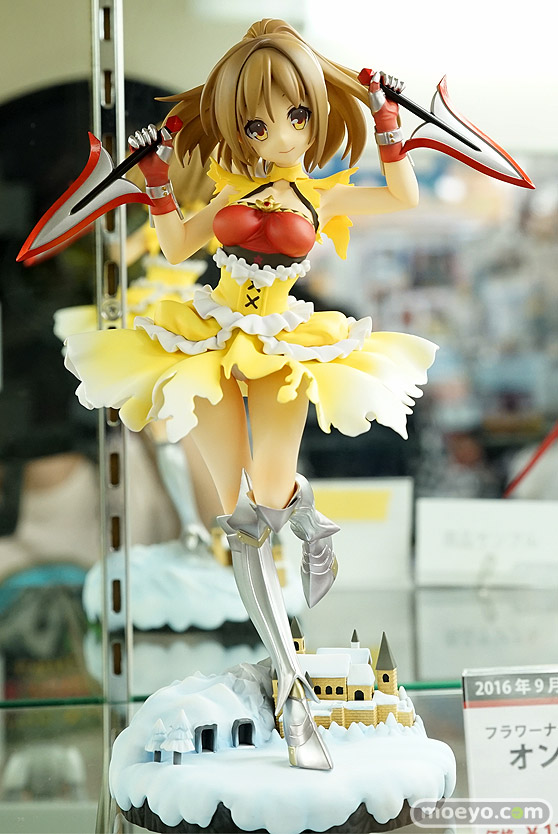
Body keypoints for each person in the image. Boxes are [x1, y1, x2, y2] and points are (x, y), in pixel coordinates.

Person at [65, 18, 437, 770]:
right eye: (258, 124)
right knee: (238, 518)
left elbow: (402, 196)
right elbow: (175, 245)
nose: (280, 136)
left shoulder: (322, 194)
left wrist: (388, 120)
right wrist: (158, 179)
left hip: (282, 347)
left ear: (317, 117)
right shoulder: (224, 188)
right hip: (205, 339)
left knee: (264, 495)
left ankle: (304, 512)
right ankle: (292, 691)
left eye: (296, 117)